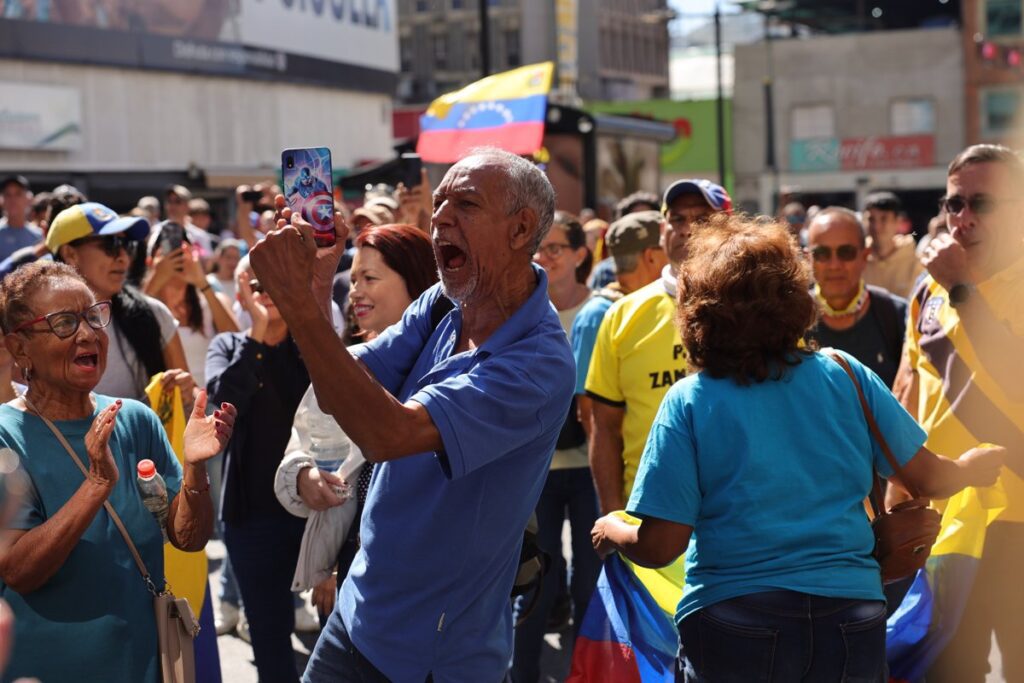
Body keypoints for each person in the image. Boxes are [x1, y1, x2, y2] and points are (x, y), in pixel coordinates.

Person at [590, 214, 1005, 682]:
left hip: (734, 621)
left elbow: (662, 545)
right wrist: (970, 467)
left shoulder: (689, 400)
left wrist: (612, 529)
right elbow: (929, 478)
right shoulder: (844, 373)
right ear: (794, 298)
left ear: (698, 310)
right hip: (852, 615)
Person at [250, 146, 574, 682]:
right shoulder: (445, 305)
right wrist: (312, 299)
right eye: (440, 202)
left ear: (521, 229)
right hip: (357, 613)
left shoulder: (537, 364)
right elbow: (340, 390)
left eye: (465, 204)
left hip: (429, 656)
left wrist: (302, 310)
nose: (441, 217)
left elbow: (386, 434)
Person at [0, 261, 235, 683]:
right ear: (20, 349)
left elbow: (187, 538)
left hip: (144, 664)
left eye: (94, 316)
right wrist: (96, 485)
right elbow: (19, 570)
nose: (88, 333)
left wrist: (196, 469)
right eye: (65, 322)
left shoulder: (135, 420)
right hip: (43, 670)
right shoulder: (6, 436)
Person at [892, 144, 1024, 683]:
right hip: (944, 523)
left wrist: (963, 292)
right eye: (955, 204)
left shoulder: (953, 286)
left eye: (983, 204)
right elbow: (908, 390)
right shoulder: (928, 290)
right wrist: (895, 498)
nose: (964, 219)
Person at [276, 223, 438, 623]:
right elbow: (305, 440)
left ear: (417, 284)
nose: (356, 291)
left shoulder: (448, 365)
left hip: (426, 578)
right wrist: (304, 477)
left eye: (370, 278)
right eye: (353, 279)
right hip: (355, 562)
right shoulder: (351, 361)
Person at [586, 179, 730, 517]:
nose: (687, 229)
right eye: (678, 219)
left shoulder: (762, 310)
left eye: (703, 219)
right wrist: (612, 516)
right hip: (649, 518)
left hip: (741, 515)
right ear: (663, 228)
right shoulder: (622, 315)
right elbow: (604, 428)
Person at [204, 255, 311, 683]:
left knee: (333, 633)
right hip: (252, 516)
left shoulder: (311, 346)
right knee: (269, 636)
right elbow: (224, 402)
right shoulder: (228, 346)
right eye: (255, 284)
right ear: (239, 295)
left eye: (274, 282)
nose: (265, 292)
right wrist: (259, 334)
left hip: (316, 511)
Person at [512, 213, 599, 682]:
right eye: (538, 249)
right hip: (537, 469)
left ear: (581, 255)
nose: (544, 258)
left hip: (589, 467)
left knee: (589, 584)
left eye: (556, 249)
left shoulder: (605, 309)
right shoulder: (522, 307)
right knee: (535, 583)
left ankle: (586, 673)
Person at [46, 203, 196, 404]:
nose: (123, 258)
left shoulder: (153, 314)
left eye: (128, 246)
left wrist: (185, 391)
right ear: (70, 254)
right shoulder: (37, 327)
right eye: (111, 244)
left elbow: (192, 402)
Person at [804, 207, 908, 387]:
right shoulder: (790, 320)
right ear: (808, 259)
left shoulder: (898, 316)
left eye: (846, 252)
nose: (834, 265)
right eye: (822, 253)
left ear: (865, 256)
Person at [145, 221, 238, 388]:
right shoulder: (144, 304)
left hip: (210, 405)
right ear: (150, 260)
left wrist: (202, 282)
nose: (176, 257)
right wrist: (155, 280)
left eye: (182, 250)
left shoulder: (212, 300)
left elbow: (237, 344)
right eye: (166, 251)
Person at [588, 191, 661, 291]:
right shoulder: (605, 272)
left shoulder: (670, 269)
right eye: (633, 222)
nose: (639, 226)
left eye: (647, 220)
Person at [863, 191, 923, 297]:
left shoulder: (916, 262)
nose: (876, 226)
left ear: (898, 221)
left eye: (884, 219)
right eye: (871, 219)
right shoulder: (856, 258)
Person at [0, 176, 42, 264]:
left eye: (18, 194)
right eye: (8, 195)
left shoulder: (39, 236)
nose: (13, 200)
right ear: (1, 200)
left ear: (29, 199)